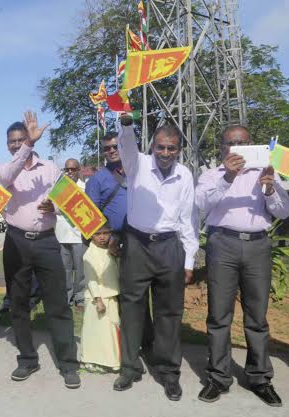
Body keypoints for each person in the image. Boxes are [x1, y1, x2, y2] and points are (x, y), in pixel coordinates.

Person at [195, 125, 289, 406]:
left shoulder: (265, 172)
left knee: (257, 315)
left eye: (242, 143)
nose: (236, 148)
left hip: (257, 246)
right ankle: (218, 377)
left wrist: (271, 188)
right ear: (222, 147)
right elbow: (200, 204)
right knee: (219, 315)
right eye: (231, 143)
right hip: (222, 243)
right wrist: (227, 177)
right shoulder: (211, 175)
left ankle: (260, 378)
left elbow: (284, 211)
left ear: (251, 144)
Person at [112, 115, 198, 401]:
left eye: (171, 148)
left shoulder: (184, 175)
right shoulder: (137, 164)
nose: (165, 153)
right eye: (160, 147)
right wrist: (126, 125)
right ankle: (129, 367)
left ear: (178, 150)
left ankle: (169, 373)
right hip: (137, 244)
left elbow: (188, 220)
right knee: (132, 308)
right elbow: (126, 145)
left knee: (169, 313)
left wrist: (188, 260)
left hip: (169, 247)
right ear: (152, 147)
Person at [0, 113, 80, 389]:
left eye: (21, 140)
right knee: (19, 303)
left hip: (45, 241)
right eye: (13, 142)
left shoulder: (51, 168)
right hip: (16, 241)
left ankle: (68, 364)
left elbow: (66, 200)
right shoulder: (5, 169)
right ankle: (27, 359)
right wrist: (28, 146)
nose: (16, 145)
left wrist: (52, 207)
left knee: (57, 303)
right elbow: (7, 178)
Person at [85, 131, 154, 358]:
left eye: (115, 146)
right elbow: (91, 216)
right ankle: (124, 344)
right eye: (107, 148)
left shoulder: (140, 171)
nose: (112, 150)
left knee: (140, 293)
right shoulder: (97, 179)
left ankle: (148, 342)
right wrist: (107, 240)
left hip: (140, 238)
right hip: (113, 241)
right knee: (118, 294)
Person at [80, 224, 120, 371]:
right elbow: (91, 279)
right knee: (95, 330)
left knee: (110, 330)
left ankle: (111, 359)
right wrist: (98, 300)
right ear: (91, 235)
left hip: (111, 295)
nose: (102, 237)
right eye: (98, 234)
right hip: (97, 299)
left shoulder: (110, 250)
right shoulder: (89, 254)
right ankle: (90, 359)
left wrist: (116, 255)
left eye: (106, 233)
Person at [56, 158, 87, 308]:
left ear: (78, 170)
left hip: (78, 236)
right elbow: (53, 209)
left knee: (80, 269)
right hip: (61, 235)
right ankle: (66, 296)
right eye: (67, 169)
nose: (69, 172)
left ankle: (80, 296)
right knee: (64, 269)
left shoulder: (85, 187)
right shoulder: (58, 188)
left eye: (73, 169)